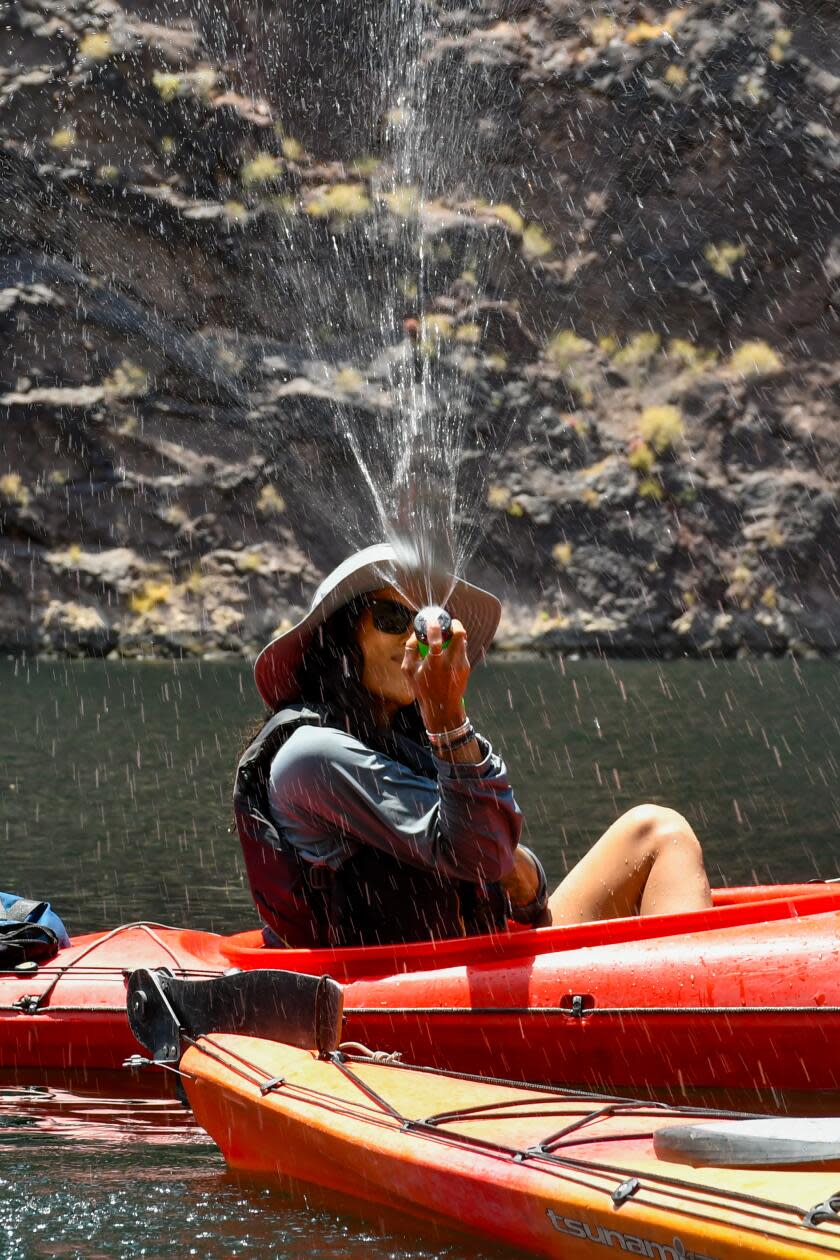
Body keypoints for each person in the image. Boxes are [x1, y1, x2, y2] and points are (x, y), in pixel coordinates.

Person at [235, 543, 712, 948]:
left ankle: (694, 1018)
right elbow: (484, 858)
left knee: (657, 831)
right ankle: (696, 1034)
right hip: (402, 1002)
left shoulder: (413, 740)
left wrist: (521, 873)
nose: (413, 639)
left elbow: (513, 867)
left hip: (478, 965)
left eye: (422, 624)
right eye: (391, 616)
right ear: (341, 637)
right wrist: (447, 719)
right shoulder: (311, 756)